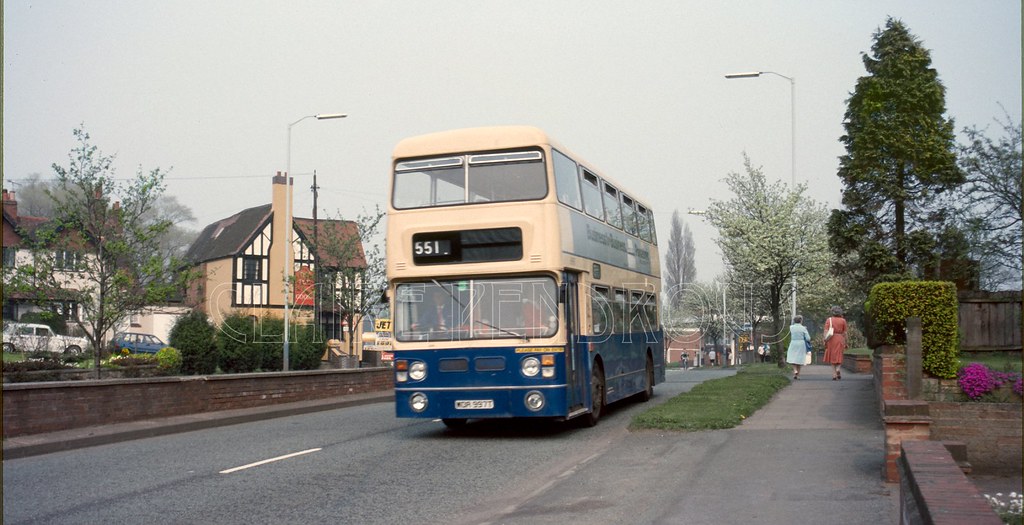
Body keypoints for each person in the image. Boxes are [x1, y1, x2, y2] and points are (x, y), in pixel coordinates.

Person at [823, 305, 849, 380]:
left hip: (831, 339)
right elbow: (845, 332)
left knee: (832, 356)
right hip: (840, 338)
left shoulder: (829, 320)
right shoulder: (843, 320)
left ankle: (834, 374)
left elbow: (825, 331)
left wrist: (825, 340)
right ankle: (838, 369)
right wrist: (846, 342)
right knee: (839, 355)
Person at [786, 315, 812, 380]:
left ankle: (795, 370)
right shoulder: (803, 328)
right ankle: (798, 375)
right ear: (801, 321)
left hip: (793, 343)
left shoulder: (791, 327)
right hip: (801, 344)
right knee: (799, 359)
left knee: (793, 357)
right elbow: (808, 338)